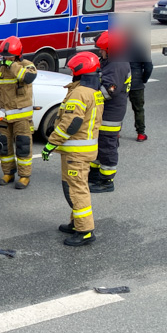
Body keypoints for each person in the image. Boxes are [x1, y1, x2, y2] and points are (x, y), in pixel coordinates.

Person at [41, 52, 104, 247]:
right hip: (83, 149)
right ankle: (76, 223)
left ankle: (85, 231)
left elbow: (71, 123)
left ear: (79, 71)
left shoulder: (79, 93)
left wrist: (52, 143)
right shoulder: (94, 91)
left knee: (76, 190)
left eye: (72, 70)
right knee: (73, 187)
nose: (71, 73)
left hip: (76, 152)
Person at [0, 36, 37, 189]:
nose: (6, 58)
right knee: (3, 146)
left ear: (18, 54)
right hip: (2, 116)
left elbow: (27, 78)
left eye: (10, 56)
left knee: (23, 146)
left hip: (21, 117)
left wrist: (12, 65)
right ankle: (8, 173)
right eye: (4, 56)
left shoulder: (28, 66)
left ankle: (24, 176)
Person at [90, 31, 131, 193]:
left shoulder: (117, 65)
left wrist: (88, 96)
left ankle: (106, 181)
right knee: (99, 145)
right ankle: (94, 175)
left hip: (110, 115)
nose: (100, 52)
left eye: (102, 49)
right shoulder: (111, 61)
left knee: (107, 148)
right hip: (105, 113)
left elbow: (108, 91)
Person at [128, 37, 153, 142]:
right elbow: (148, 67)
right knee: (138, 108)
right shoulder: (141, 48)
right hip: (136, 82)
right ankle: (141, 133)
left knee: (118, 107)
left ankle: (116, 133)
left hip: (120, 81)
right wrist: (144, 79)